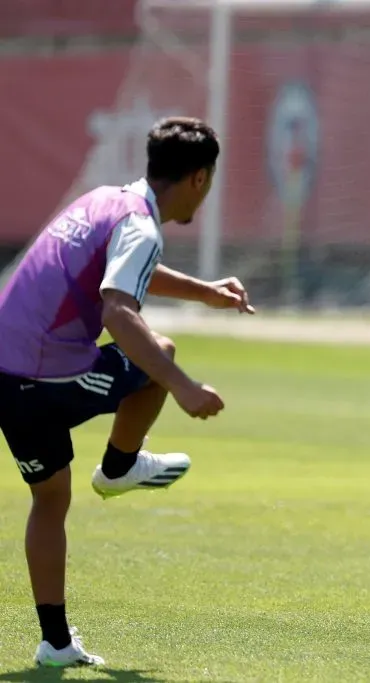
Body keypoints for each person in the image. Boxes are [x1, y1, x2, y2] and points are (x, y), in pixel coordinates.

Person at [0, 116, 255, 667]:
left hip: (5, 370)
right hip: (44, 372)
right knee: (158, 355)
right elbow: (118, 307)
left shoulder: (104, 201)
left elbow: (125, 269)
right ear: (200, 178)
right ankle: (118, 467)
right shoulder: (141, 225)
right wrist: (184, 389)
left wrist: (205, 293)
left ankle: (56, 644)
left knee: (50, 497)